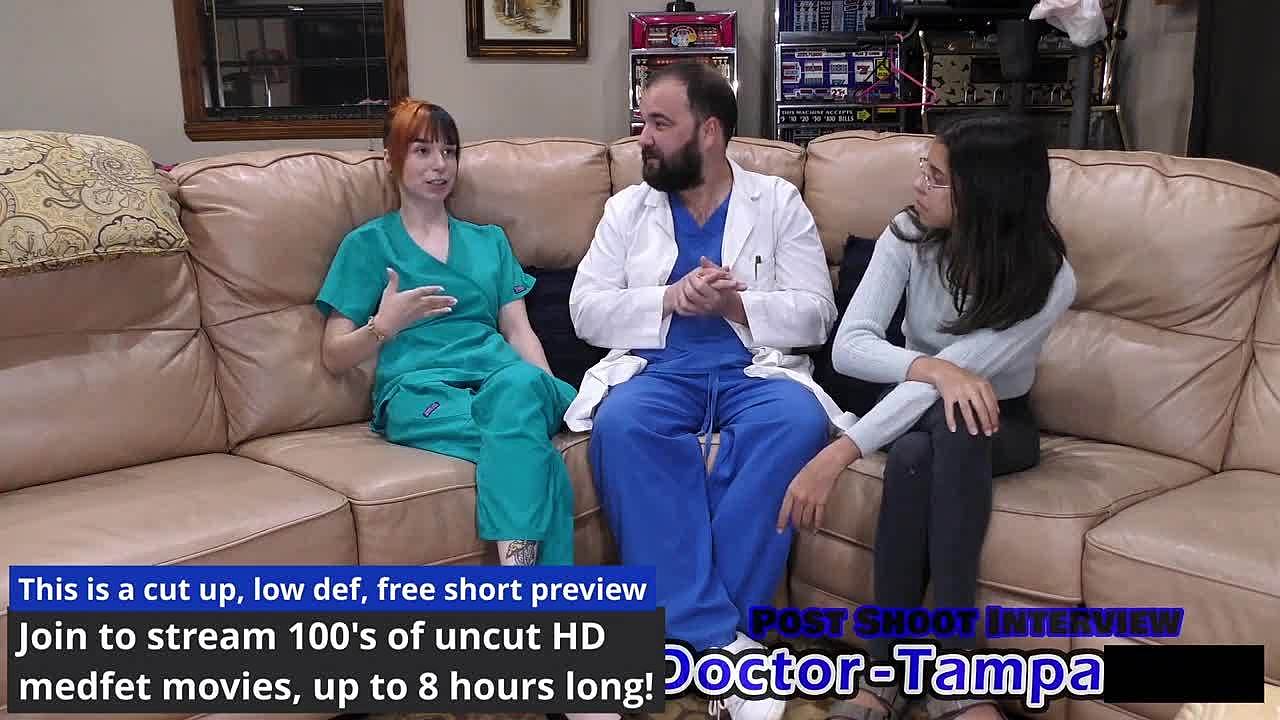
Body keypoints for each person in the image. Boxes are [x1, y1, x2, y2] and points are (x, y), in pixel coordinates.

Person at [566, 61, 852, 720]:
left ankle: (677, 640)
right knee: (623, 425)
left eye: (660, 124)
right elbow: (585, 310)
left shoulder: (777, 203)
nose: (643, 137)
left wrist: (735, 306)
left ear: (710, 132)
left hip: (754, 372)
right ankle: (726, 648)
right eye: (642, 122)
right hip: (658, 371)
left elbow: (818, 314)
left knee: (796, 423)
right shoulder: (627, 209)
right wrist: (668, 298)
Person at [779, 114, 1078, 720]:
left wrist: (838, 454)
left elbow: (968, 376)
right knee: (930, 431)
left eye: (937, 178)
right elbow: (849, 346)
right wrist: (932, 368)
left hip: (1001, 422)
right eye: (925, 168)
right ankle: (947, 677)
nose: (919, 184)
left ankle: (895, 673)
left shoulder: (1048, 278)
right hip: (913, 412)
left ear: (984, 193)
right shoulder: (908, 235)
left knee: (951, 425)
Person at [315, 98, 578, 567]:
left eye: (449, 151)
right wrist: (382, 327)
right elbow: (334, 355)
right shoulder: (367, 245)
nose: (439, 165)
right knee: (528, 450)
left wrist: (549, 392)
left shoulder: (490, 241)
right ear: (390, 159)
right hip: (419, 392)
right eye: (422, 151)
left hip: (504, 381)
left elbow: (518, 331)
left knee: (521, 395)